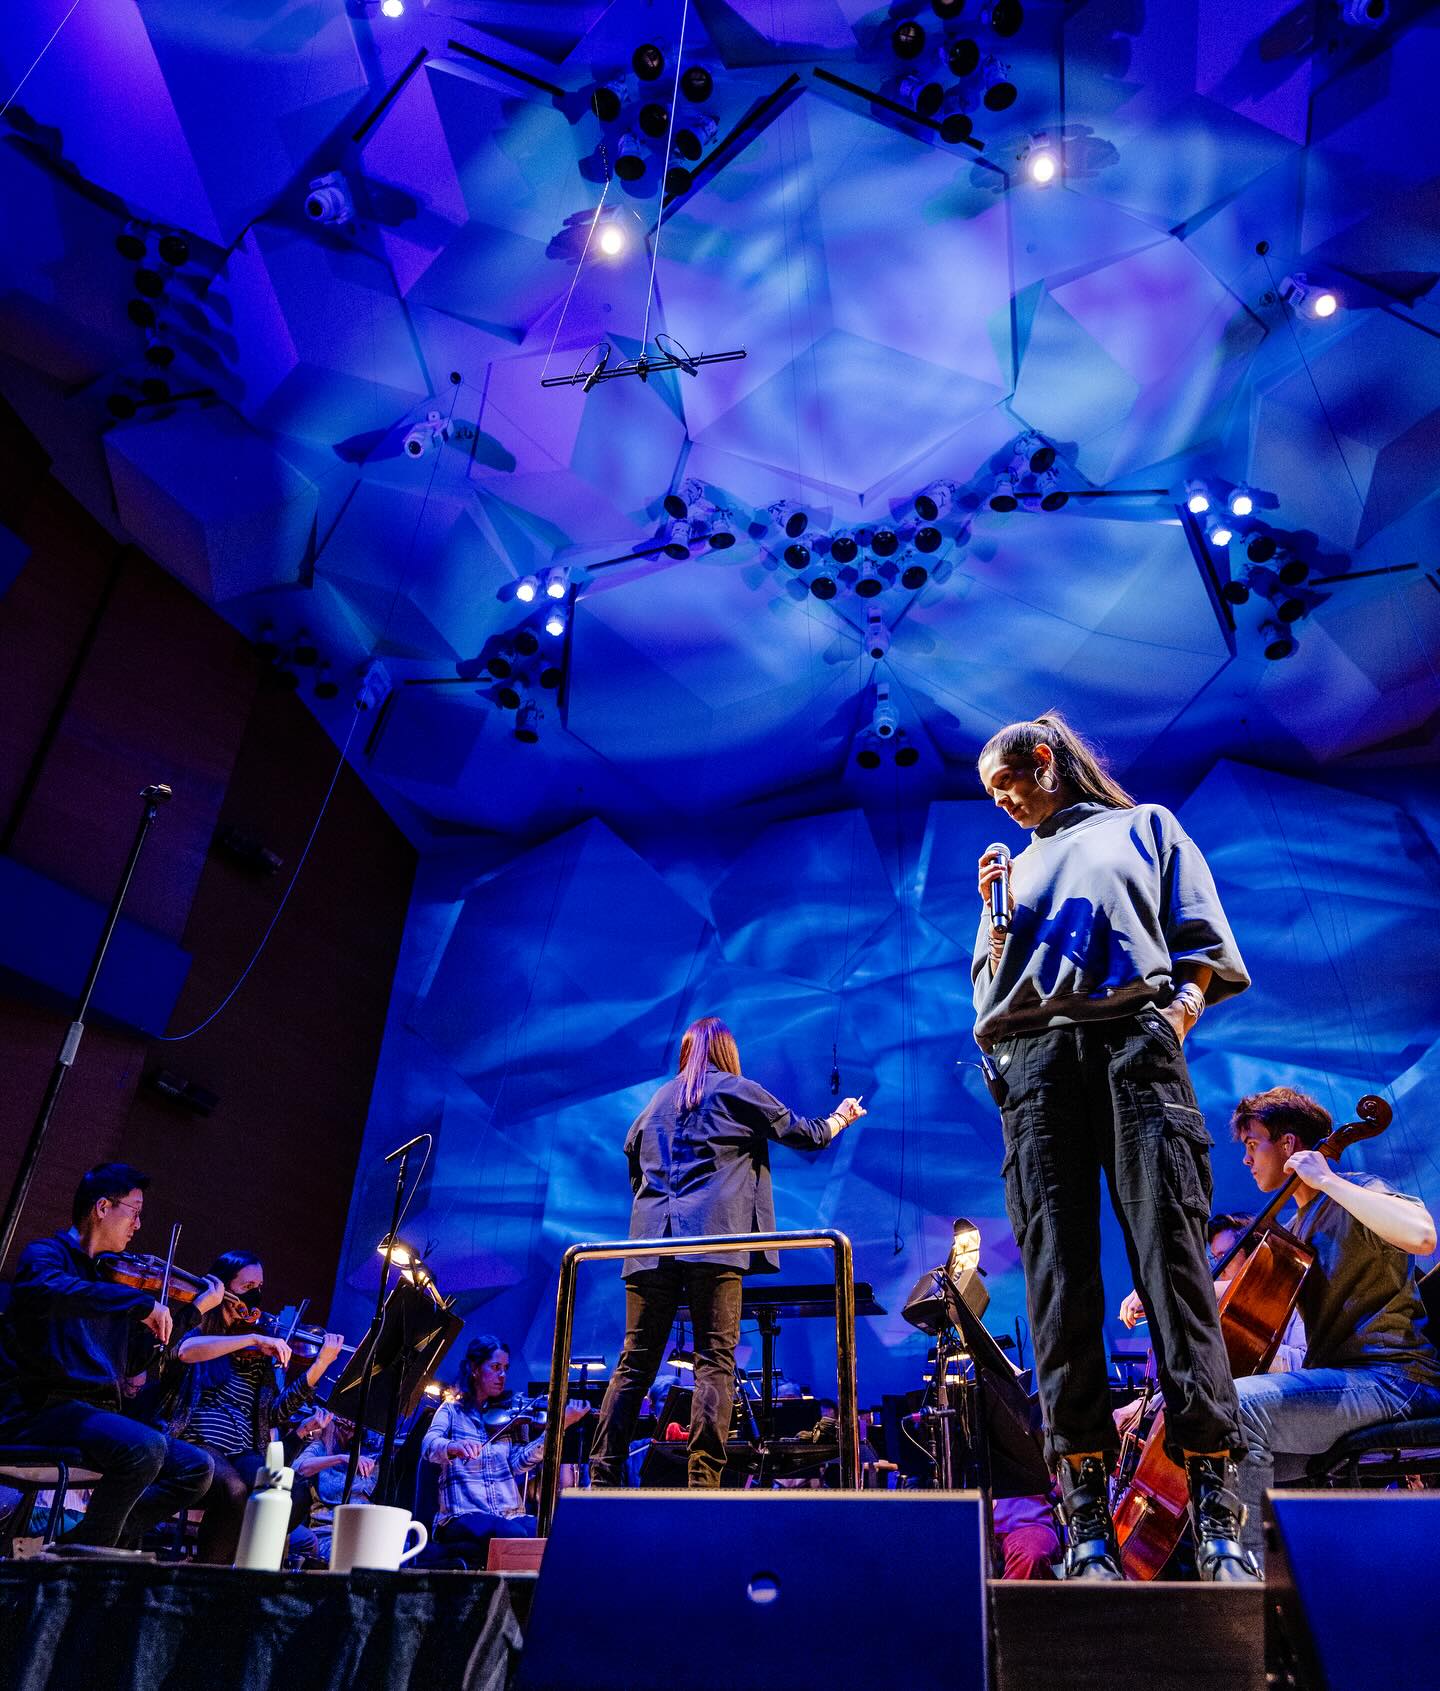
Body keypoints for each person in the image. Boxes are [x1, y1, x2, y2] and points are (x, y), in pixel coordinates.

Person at [973, 712, 1254, 1581]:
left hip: (1135, 1046)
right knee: (1059, 1287)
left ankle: (1215, 1512)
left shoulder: (1146, 826)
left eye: (1008, 783)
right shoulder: (1008, 871)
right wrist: (995, 915)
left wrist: (1175, 1016)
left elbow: (1200, 944)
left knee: (1174, 1270)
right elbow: (989, 994)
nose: (1004, 802)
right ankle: (1088, 1521)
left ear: (1046, 758)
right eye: (992, 795)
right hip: (1035, 1066)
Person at [588, 1016, 865, 1489]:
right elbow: (807, 1134)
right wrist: (843, 1115)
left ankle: (602, 1476)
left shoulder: (655, 1100)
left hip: (649, 1242)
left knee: (635, 1361)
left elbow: (632, 1155)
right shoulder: (737, 1090)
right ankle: (702, 1482)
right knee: (714, 1359)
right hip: (712, 1242)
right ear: (728, 1053)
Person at [1228, 1087, 1440, 1570]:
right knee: (1215, 1455)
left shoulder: (1358, 1188)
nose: (1245, 1158)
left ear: (1287, 1145)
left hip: (1395, 1378)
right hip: (1345, 1386)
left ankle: (1247, 1592)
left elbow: (1422, 1235)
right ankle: (1284, 1591)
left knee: (1238, 1407)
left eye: (1251, 1143)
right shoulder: (1294, 1230)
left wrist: (1328, 1180)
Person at [0, 1163, 214, 1547]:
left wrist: (193, 1311)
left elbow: (134, 1360)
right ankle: (89, 1558)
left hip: (95, 1416)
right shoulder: (46, 1257)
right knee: (143, 1448)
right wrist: (137, 1302)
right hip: (43, 1410)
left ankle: (80, 1545)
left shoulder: (112, 1279)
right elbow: (53, 1290)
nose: (138, 1225)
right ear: (102, 1207)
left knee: (197, 1468)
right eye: (134, 1211)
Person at [171, 1249, 345, 1563]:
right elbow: (182, 1350)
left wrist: (319, 1365)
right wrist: (251, 1339)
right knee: (234, 1491)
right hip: (198, 1442)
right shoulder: (203, 1331)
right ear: (225, 1289)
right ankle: (208, 1572)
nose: (257, 1295)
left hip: (243, 1451)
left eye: (259, 1287)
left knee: (293, 1493)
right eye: (248, 1287)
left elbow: (276, 1412)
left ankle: (247, 1568)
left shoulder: (259, 1348)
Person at [421, 1335, 588, 1561]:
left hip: (508, 1514)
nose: (503, 1376)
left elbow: (518, 1464)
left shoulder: (512, 1416)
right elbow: (429, 1445)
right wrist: (454, 1446)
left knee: (553, 1531)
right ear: (475, 1368)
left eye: (506, 1369)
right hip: (462, 1515)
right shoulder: (451, 1410)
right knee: (511, 1534)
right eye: (496, 1367)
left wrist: (557, 1429)